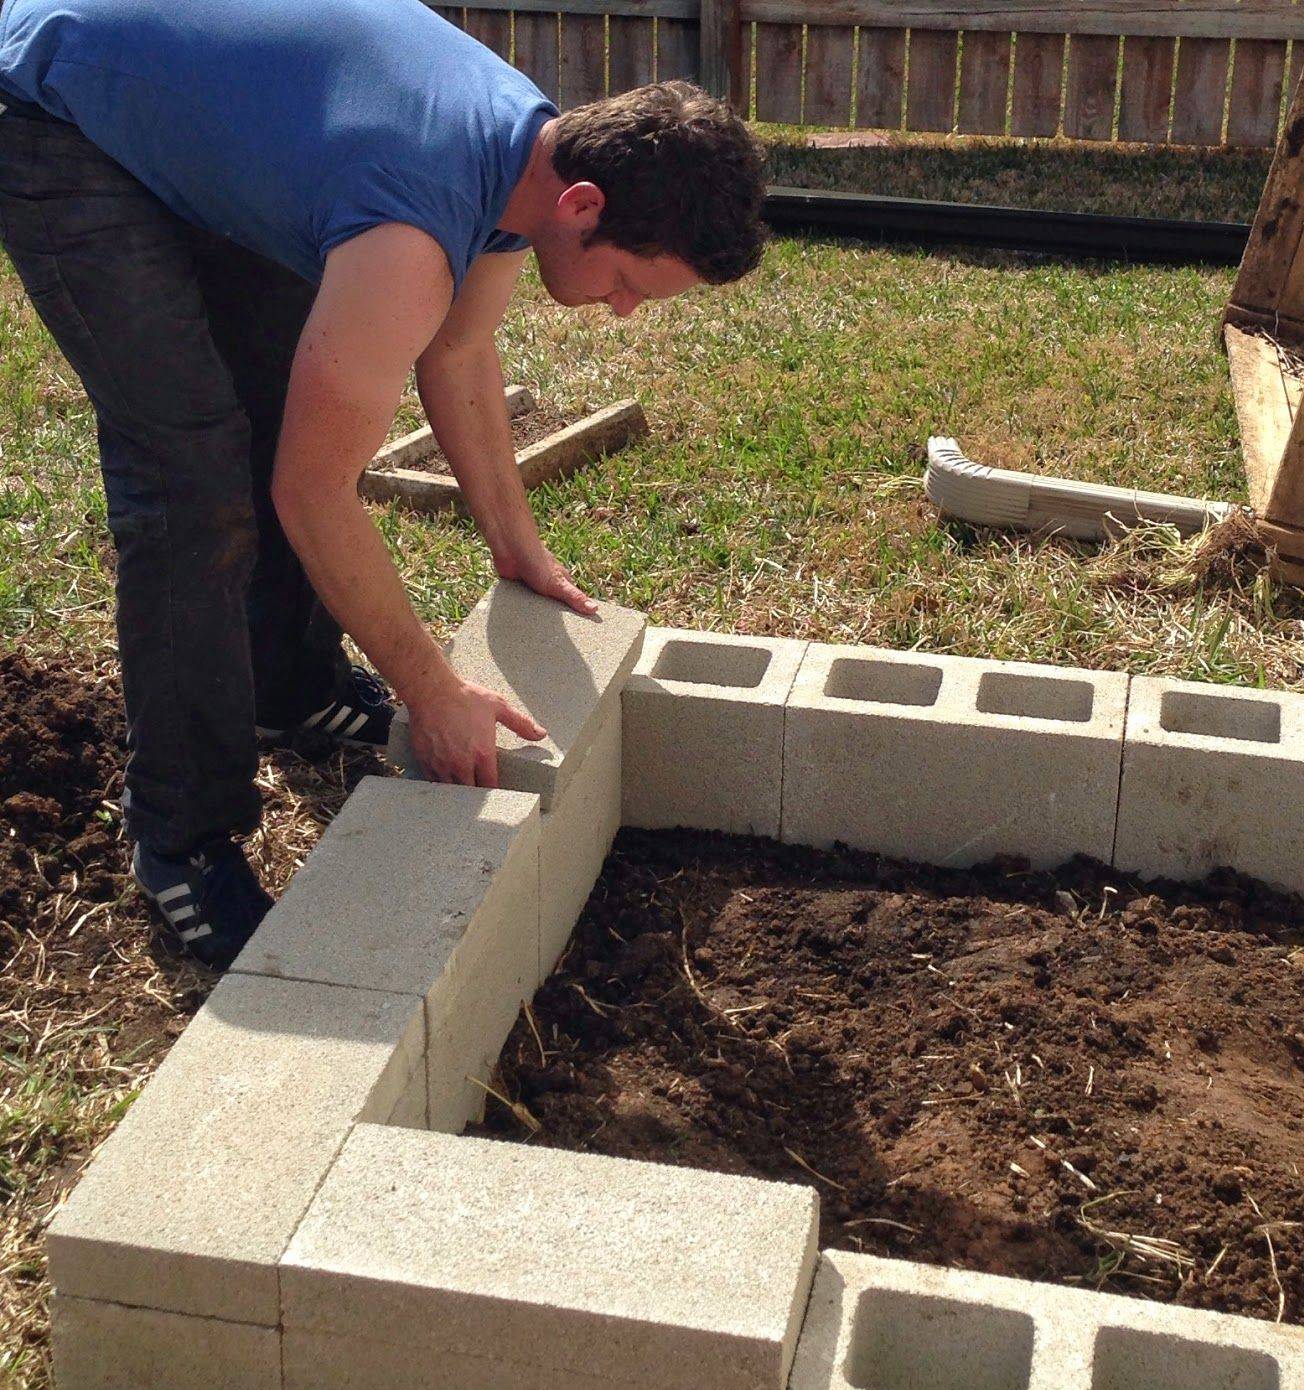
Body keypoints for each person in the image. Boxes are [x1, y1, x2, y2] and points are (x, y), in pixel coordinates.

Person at [0, 0, 765, 967]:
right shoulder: (411, 219)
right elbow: (313, 492)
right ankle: (180, 838)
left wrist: (515, 544)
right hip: (59, 116)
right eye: (630, 285)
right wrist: (431, 689)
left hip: (196, 105)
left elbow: (459, 349)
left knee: (293, 393)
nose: (619, 312)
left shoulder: (529, 153)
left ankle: (288, 686)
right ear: (583, 207)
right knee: (192, 479)